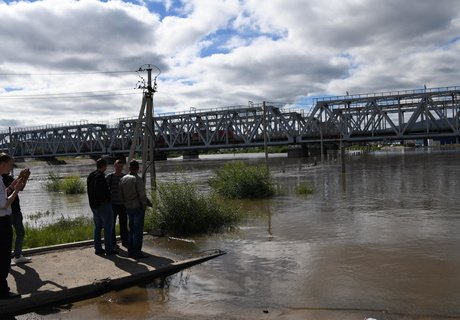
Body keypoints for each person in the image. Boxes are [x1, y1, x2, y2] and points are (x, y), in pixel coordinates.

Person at [0, 153, 25, 299]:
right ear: (3, 164)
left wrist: (12, 186)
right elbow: (4, 204)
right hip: (2, 223)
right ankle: (3, 291)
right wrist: (16, 190)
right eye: (10, 164)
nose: (11, 167)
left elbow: (3, 195)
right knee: (3, 257)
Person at [119, 160, 151, 259]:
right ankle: (137, 253)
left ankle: (130, 252)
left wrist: (125, 204)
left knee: (131, 230)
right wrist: (145, 205)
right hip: (138, 208)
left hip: (128, 207)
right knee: (138, 231)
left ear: (129, 168)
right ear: (138, 169)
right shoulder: (138, 179)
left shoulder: (123, 179)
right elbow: (142, 195)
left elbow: (120, 195)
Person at [86, 158, 117, 256]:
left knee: (97, 227)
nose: (106, 167)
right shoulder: (100, 176)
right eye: (106, 166)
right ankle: (109, 249)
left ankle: (98, 248)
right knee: (108, 227)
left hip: (94, 206)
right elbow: (102, 192)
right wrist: (108, 197)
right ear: (104, 166)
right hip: (103, 205)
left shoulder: (91, 176)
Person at [2, 167, 31, 265]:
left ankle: (17, 256)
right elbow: (8, 192)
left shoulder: (9, 177)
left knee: (20, 233)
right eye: (9, 165)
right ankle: (6, 258)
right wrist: (20, 176)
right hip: (6, 212)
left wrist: (25, 178)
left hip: (16, 210)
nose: (10, 168)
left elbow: (20, 188)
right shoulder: (1, 180)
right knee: (6, 236)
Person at [106, 159, 128, 248]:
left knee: (124, 224)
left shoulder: (125, 177)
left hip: (123, 205)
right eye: (117, 167)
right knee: (112, 225)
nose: (119, 168)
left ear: (123, 167)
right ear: (114, 166)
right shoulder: (109, 177)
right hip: (112, 205)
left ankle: (125, 242)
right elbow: (104, 190)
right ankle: (113, 243)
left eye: (121, 167)